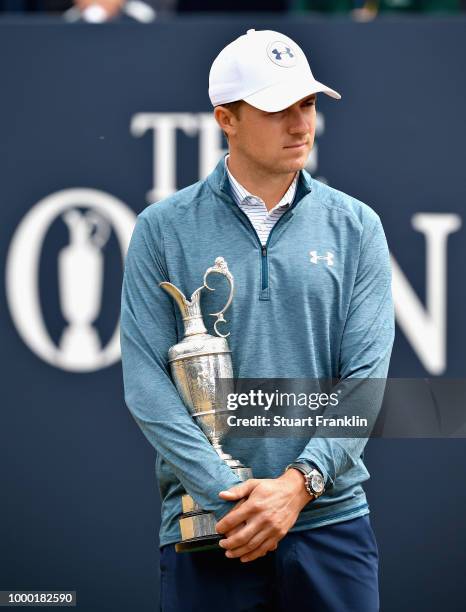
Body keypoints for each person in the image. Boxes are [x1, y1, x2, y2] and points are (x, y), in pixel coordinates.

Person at [120, 28, 394, 611]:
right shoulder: (162, 229)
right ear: (227, 118)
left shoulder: (358, 226)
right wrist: (234, 504)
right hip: (210, 529)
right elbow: (146, 385)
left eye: (308, 103)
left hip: (331, 521)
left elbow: (365, 381)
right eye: (277, 108)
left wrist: (297, 488)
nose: (300, 124)